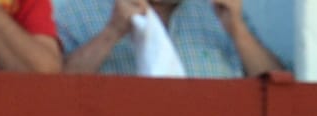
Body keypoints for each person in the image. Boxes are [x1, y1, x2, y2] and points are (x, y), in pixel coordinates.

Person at [57, 0, 285, 76]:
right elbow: (53, 91)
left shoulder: (218, 12)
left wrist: (239, 32)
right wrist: (111, 33)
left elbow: (282, 92)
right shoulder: (77, 13)